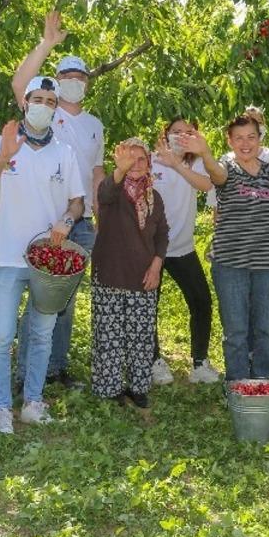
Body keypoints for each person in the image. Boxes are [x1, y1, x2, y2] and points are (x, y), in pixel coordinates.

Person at [0, 77, 86, 434]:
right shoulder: (0, 144)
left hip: (48, 262)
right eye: (37, 99)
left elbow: (77, 201)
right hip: (8, 257)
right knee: (1, 337)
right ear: (25, 102)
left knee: (41, 334)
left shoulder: (64, 152)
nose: (43, 106)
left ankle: (33, 403)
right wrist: (2, 159)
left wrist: (67, 220)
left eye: (50, 101)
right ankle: (2, 408)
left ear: (56, 108)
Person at [11, 12, 105, 390]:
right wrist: (46, 44)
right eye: (67, 76)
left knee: (64, 298)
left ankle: (56, 368)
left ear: (87, 83)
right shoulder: (46, 112)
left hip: (81, 222)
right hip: (46, 218)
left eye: (80, 77)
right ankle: (25, 372)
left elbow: (97, 174)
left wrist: (101, 219)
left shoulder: (95, 125)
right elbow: (20, 83)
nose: (73, 82)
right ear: (56, 79)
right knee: (37, 297)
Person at [199, 115, 269, 382]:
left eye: (251, 137)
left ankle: (265, 386)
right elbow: (215, 173)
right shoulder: (226, 169)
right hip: (230, 265)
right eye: (239, 138)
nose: (246, 144)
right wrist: (205, 153)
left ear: (260, 139)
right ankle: (238, 386)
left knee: (267, 331)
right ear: (230, 141)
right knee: (236, 332)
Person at [90, 139, 169, 409]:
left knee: (141, 337)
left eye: (141, 159)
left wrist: (156, 265)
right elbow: (104, 194)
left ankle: (138, 387)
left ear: (149, 164)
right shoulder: (112, 191)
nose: (135, 164)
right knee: (108, 336)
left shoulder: (154, 198)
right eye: (129, 158)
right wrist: (119, 171)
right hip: (110, 274)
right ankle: (109, 388)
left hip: (142, 277)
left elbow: (162, 235)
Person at [151, 118, 220, 384]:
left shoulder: (195, 162)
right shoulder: (150, 160)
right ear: (165, 133)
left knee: (201, 301)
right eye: (175, 132)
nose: (180, 136)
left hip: (182, 248)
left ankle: (200, 362)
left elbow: (207, 185)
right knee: (149, 306)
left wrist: (177, 164)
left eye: (187, 133)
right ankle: (153, 361)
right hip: (151, 250)